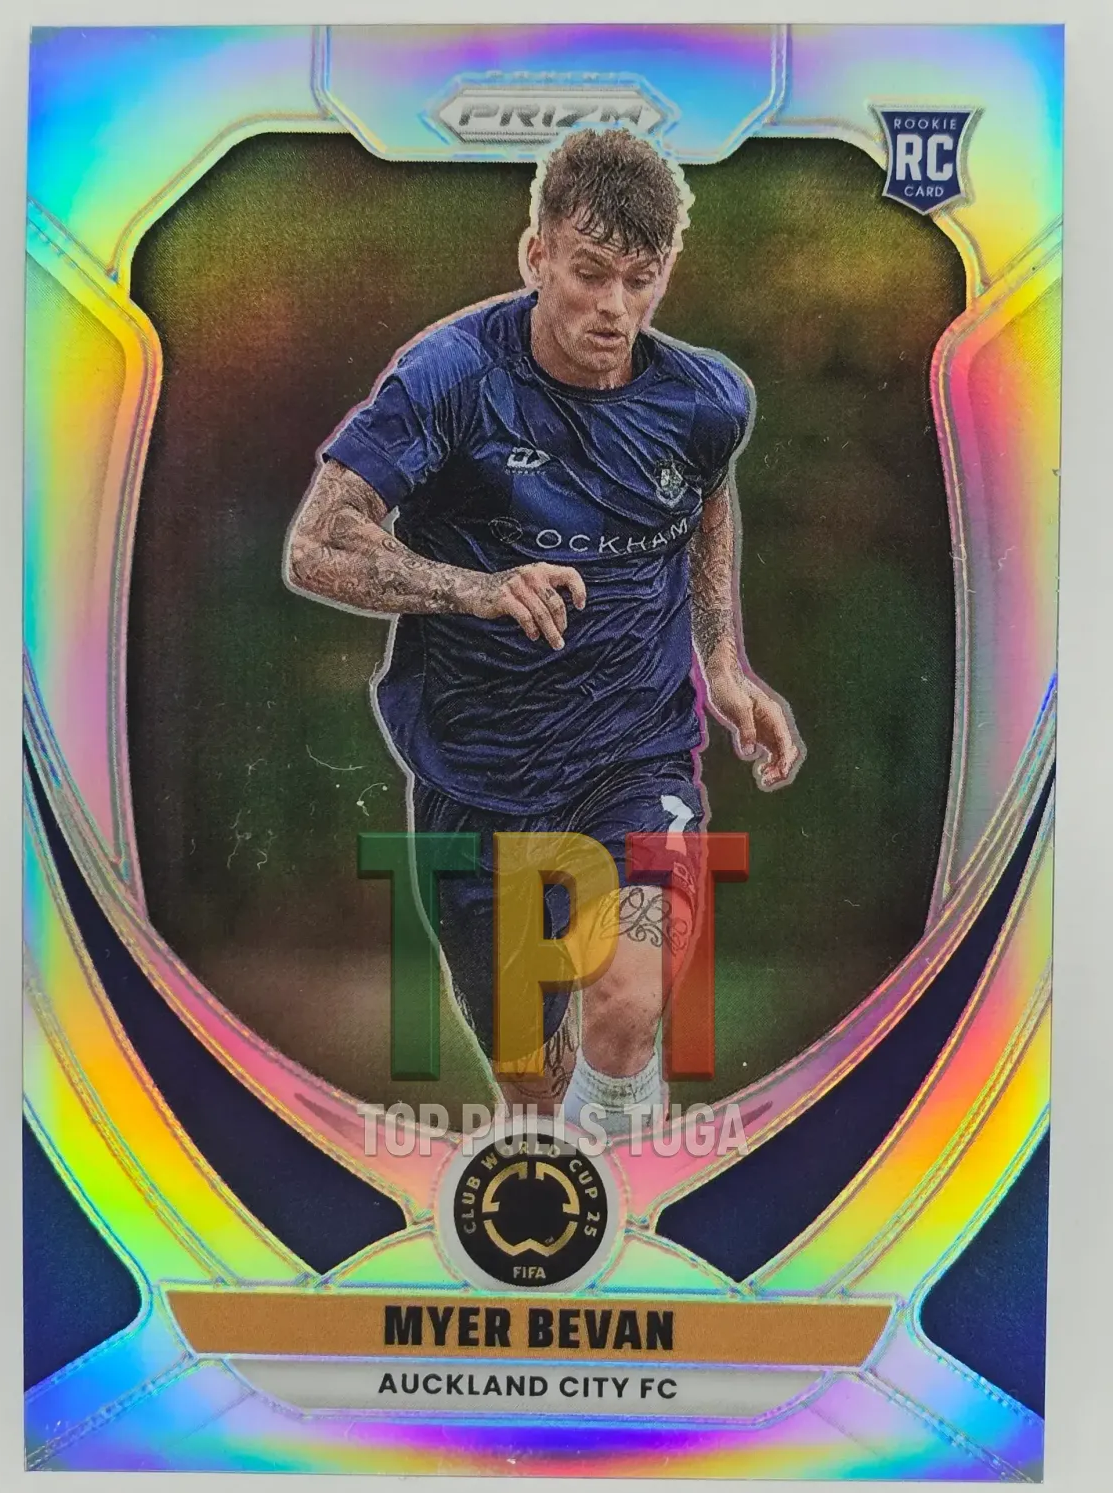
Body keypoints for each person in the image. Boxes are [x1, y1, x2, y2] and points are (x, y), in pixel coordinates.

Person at [285, 127, 803, 1138]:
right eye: (589, 273)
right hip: (477, 776)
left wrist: (723, 660)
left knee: (627, 999)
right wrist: (477, 589)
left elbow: (704, 499)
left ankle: (626, 1146)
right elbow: (317, 544)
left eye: (641, 281)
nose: (615, 308)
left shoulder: (704, 401)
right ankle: (595, 1154)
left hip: (635, 755)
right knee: (532, 1089)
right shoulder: (450, 377)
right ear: (536, 256)